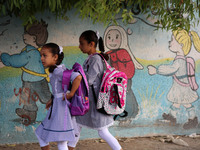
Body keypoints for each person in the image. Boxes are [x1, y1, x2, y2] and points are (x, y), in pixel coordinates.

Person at [68, 30, 123, 150]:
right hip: (90, 101)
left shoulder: (96, 59)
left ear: (91, 44)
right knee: (77, 124)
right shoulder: (91, 58)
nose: (79, 46)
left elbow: (88, 80)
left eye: (82, 43)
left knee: (102, 131)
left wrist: (74, 79)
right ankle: (69, 147)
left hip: (94, 102)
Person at [148, 29, 200, 129]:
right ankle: (172, 116)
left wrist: (157, 70)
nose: (170, 42)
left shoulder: (180, 60)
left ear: (181, 45)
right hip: (180, 86)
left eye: (172, 40)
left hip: (182, 87)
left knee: (186, 103)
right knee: (177, 102)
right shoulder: (181, 59)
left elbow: (171, 70)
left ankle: (192, 119)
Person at [0, 20, 51, 123]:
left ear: (33, 38)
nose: (23, 35)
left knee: (29, 98)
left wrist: (3, 56)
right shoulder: (38, 51)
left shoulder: (29, 52)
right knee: (42, 97)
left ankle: (31, 113)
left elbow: (17, 61)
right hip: (40, 80)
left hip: (30, 81)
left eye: (26, 33)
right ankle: (32, 114)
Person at [35, 43, 82, 150]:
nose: (42, 58)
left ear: (55, 57)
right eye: (41, 55)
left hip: (62, 110)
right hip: (56, 107)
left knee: (61, 142)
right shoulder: (55, 71)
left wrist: (71, 93)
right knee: (41, 134)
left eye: (45, 55)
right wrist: (52, 100)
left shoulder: (59, 71)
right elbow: (58, 89)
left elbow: (77, 77)